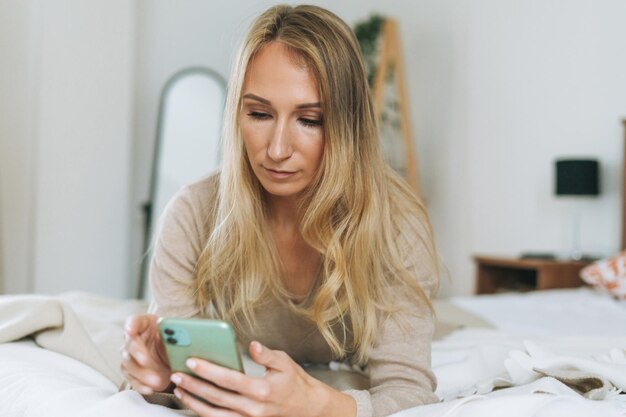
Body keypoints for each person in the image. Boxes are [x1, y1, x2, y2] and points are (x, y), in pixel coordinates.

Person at [121, 4, 439, 417]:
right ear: (236, 113)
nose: (276, 150)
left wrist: (323, 406)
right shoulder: (193, 213)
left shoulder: (397, 223)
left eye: (310, 120)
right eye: (258, 114)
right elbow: (179, 374)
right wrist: (158, 376)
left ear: (347, 125)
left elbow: (411, 394)